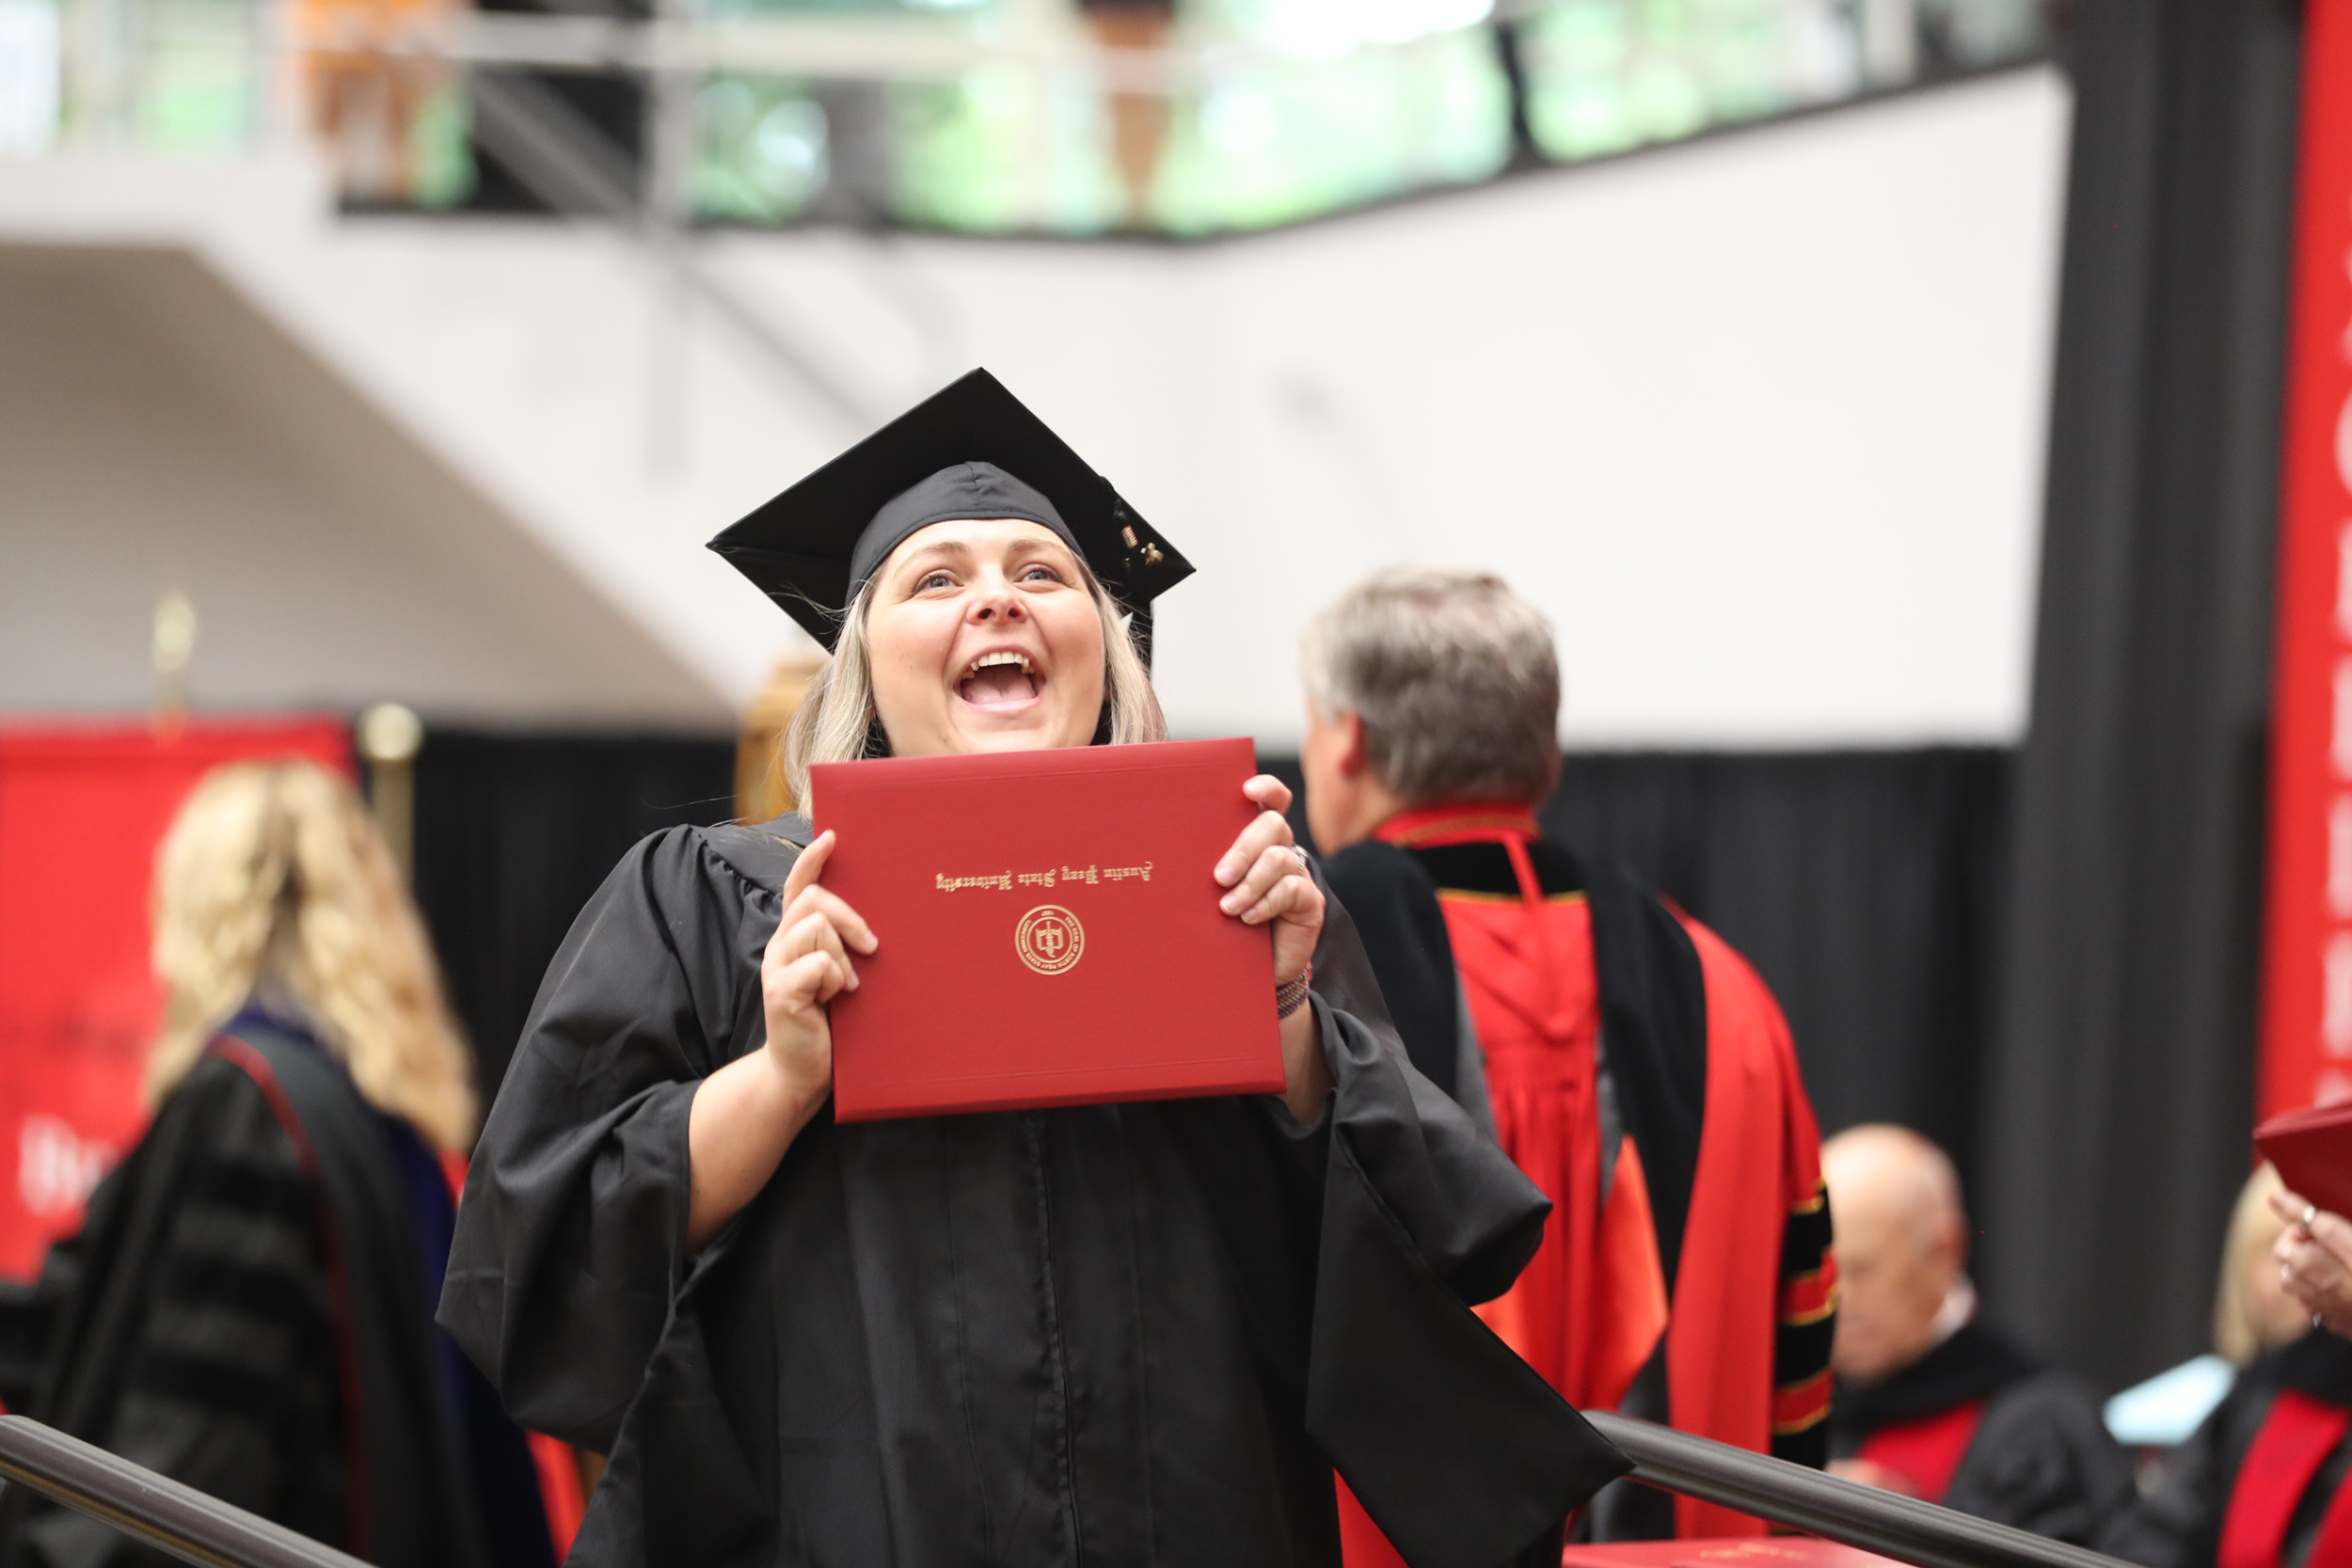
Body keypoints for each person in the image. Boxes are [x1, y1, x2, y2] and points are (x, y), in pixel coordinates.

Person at [437, 370, 1626, 1568]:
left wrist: (1283, 1021)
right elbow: (532, 1250)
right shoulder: (713, 901)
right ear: (859, 662)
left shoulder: (1224, 890)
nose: (997, 601)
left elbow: (1433, 1241)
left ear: (1103, 654)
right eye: (938, 578)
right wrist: (781, 1077)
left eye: (1042, 573)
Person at [1297, 567, 1834, 1544]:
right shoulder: (1729, 997)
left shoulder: (1298, 989)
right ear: (1541, 749)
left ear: (1349, 743)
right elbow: (1797, 1350)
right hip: (1692, 1549)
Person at [0, 760, 565, 1568]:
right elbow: (89, 1313)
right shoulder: (380, 1119)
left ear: (203, 908)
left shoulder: (247, 1105)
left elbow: (193, 1453)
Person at [1821, 1125, 2131, 1544]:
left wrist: (1908, 1530)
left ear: (1944, 1251)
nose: (1838, 1299)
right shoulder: (1795, 1403)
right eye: (1824, 1270)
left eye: (1862, 1269)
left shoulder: (2042, 1424)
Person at [2099, 1180, 2352, 1568]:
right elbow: (2157, 1538)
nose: (2301, 1267)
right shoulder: (2259, 1398)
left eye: (2320, 1244)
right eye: (2278, 1247)